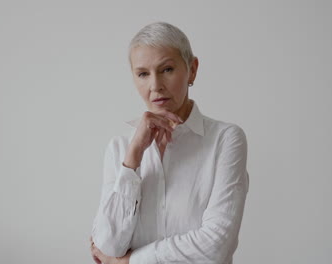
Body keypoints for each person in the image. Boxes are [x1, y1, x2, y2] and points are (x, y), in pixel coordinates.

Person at [89, 21, 249, 264]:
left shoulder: (225, 140)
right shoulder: (120, 150)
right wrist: (133, 158)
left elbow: (216, 245)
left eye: (167, 70)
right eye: (143, 74)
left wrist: (128, 262)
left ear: (192, 70)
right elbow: (108, 244)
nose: (155, 86)